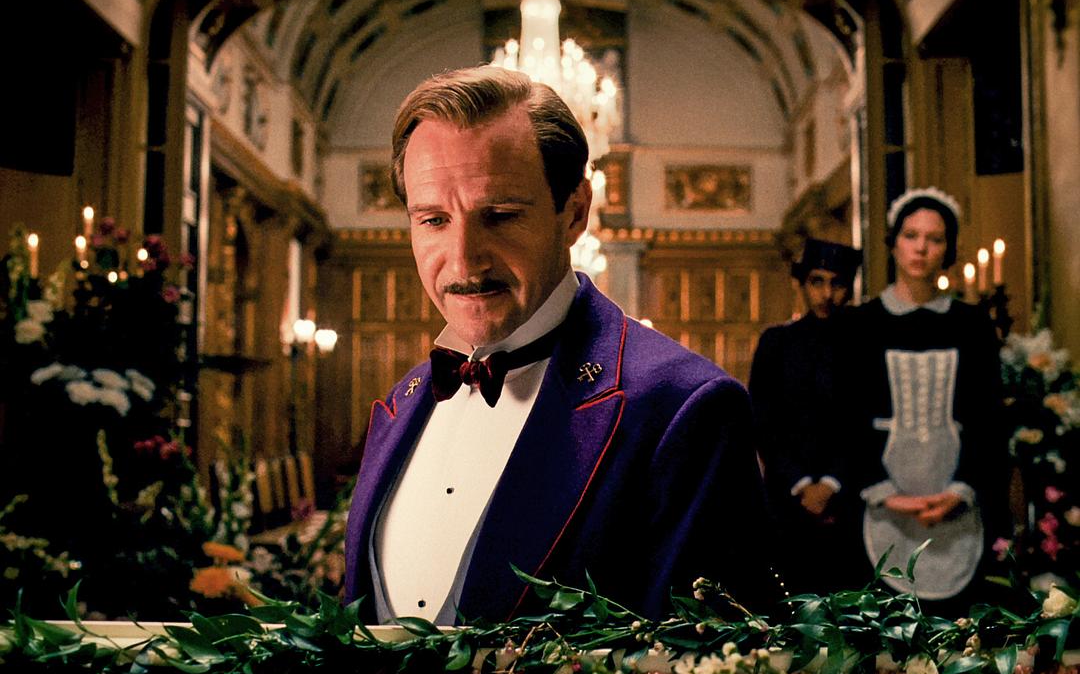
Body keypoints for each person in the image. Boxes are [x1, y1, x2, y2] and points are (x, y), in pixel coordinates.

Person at [343, 65, 778, 625]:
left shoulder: (686, 409)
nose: (464, 259)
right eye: (433, 220)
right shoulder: (400, 401)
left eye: (500, 216)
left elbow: (716, 668)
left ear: (574, 213)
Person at [846, 187, 1008, 611]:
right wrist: (885, 493)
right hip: (880, 504)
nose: (921, 248)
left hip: (956, 503)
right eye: (911, 235)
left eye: (934, 239)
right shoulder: (861, 324)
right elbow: (846, 415)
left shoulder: (971, 324)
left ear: (948, 249)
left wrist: (959, 491)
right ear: (894, 243)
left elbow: (988, 418)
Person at [749, 238, 869, 595]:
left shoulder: (864, 344)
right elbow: (763, 421)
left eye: (837, 283)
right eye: (817, 282)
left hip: (850, 498)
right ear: (802, 284)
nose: (827, 294)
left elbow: (865, 421)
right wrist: (802, 484)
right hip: (787, 499)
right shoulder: (776, 343)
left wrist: (831, 483)